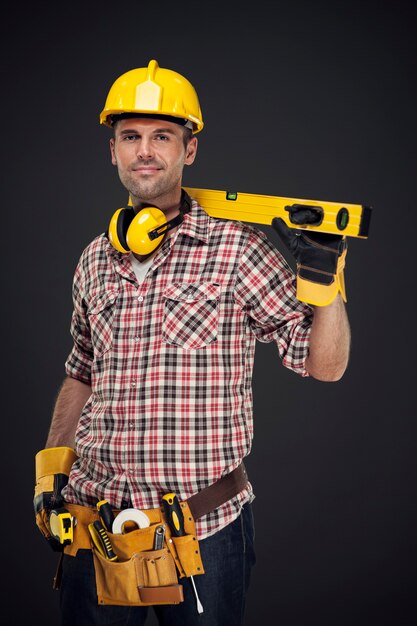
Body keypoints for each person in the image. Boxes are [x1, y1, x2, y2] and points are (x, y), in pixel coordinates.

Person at [34, 59, 351, 626]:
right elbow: (80, 372)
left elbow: (323, 366)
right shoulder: (92, 260)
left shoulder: (236, 251)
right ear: (113, 151)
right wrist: (50, 474)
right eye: (130, 137)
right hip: (95, 527)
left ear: (190, 150)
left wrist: (327, 288)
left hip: (203, 535)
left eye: (162, 136)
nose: (145, 151)